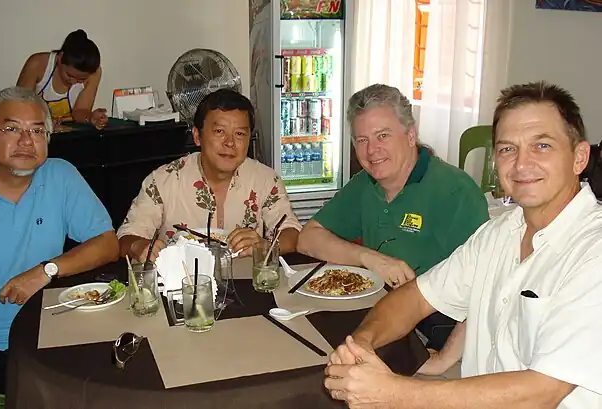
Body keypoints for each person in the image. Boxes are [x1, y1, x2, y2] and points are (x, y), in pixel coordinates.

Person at [324, 81, 601, 408]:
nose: (521, 164)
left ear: (579, 157)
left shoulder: (592, 251)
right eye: (507, 149)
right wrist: (362, 344)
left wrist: (394, 393)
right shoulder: (497, 234)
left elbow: (542, 391)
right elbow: (415, 298)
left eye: (541, 146)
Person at [0, 87, 119, 409]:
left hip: (47, 334)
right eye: (12, 128)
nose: (27, 141)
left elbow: (107, 244)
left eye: (37, 131)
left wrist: (46, 271)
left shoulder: (60, 176)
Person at [297, 84, 488, 352]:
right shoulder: (365, 184)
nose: (371, 150)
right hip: (377, 317)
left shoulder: (455, 192)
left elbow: (483, 289)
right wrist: (370, 258)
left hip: (432, 331)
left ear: (411, 135)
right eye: (362, 140)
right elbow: (307, 239)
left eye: (383, 136)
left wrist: (444, 357)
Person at [118, 89, 300, 261]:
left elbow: (292, 233)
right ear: (197, 136)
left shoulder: (265, 179)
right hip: (183, 280)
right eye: (219, 132)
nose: (230, 143)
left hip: (247, 279)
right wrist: (138, 247)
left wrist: (266, 246)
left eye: (239, 134)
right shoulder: (163, 180)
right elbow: (126, 238)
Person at [17, 29, 108, 129]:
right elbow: (20, 106)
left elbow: (80, 111)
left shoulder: (94, 73)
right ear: (60, 58)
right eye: (69, 75)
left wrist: (90, 118)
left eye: (81, 80)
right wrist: (43, 121)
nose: (73, 82)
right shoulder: (38, 64)